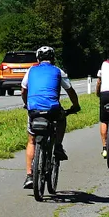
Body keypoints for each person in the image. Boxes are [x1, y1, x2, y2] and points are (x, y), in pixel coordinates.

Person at [22, 44, 81, 189]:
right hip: (52, 109)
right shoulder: (58, 71)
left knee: (31, 140)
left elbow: (23, 90)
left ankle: (29, 175)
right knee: (62, 118)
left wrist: (26, 104)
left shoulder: (31, 70)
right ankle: (58, 146)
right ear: (53, 58)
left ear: (38, 59)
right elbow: (70, 91)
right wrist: (75, 105)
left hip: (34, 109)